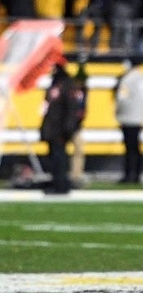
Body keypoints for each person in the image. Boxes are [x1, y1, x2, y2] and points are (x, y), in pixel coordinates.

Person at [40, 56, 80, 194]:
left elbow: (70, 109)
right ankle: (56, 182)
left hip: (60, 129)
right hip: (53, 129)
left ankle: (61, 184)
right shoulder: (55, 84)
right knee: (54, 157)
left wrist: (67, 129)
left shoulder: (67, 85)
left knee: (60, 158)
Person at [114, 58, 143, 184]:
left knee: (130, 148)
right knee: (137, 147)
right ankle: (137, 174)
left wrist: (118, 113)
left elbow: (122, 98)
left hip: (128, 117)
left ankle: (129, 174)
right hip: (139, 116)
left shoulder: (128, 79)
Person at [69, 61, 89, 187]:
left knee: (79, 150)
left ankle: (76, 175)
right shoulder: (71, 92)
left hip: (76, 126)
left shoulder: (84, 92)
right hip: (69, 125)